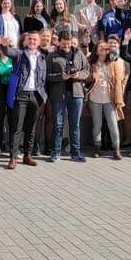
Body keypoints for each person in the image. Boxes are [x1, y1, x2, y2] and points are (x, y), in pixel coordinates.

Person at [45, 30, 89, 162]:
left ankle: (75, 153)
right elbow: (46, 75)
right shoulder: (52, 56)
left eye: (68, 44)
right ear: (59, 42)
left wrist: (78, 75)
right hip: (59, 95)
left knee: (75, 125)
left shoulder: (79, 54)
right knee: (58, 124)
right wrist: (61, 77)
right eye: (63, 44)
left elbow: (87, 71)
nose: (66, 46)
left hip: (76, 94)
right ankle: (55, 152)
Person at [6, 31, 47, 170]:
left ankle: (27, 155)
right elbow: (8, 52)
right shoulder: (20, 54)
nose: (32, 41)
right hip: (21, 94)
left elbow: (43, 78)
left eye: (35, 39)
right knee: (17, 126)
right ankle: (12, 157)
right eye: (30, 39)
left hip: (36, 95)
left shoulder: (42, 57)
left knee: (31, 126)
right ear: (26, 41)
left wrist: (44, 96)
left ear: (39, 42)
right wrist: (4, 46)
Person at [86, 41, 125, 160]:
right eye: (100, 47)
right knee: (97, 125)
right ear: (96, 51)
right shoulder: (91, 63)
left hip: (110, 98)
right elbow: (87, 79)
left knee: (113, 124)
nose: (103, 49)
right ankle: (97, 148)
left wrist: (119, 99)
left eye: (105, 47)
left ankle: (116, 149)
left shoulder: (113, 63)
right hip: (95, 98)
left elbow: (119, 80)